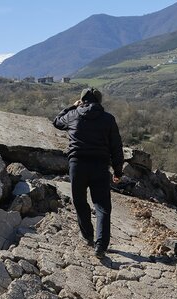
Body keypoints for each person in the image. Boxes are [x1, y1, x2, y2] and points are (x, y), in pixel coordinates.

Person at [53, 88, 124, 258]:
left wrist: (72, 106)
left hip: (77, 165)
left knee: (79, 201)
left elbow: (56, 122)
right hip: (100, 166)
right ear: (99, 102)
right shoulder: (108, 119)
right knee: (102, 206)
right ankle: (100, 246)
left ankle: (87, 236)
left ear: (82, 100)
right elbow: (116, 147)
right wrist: (118, 171)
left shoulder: (73, 115)